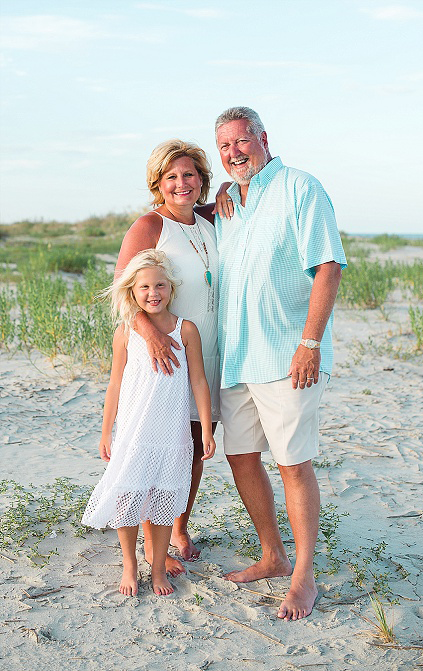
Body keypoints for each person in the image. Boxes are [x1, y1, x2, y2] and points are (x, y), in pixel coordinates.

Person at [213, 106, 346, 620]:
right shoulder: (229, 204)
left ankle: (303, 577)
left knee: (293, 463)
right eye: (224, 147)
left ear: (263, 138)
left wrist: (310, 342)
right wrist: (219, 194)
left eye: (240, 142)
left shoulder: (299, 187)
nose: (233, 154)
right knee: (241, 457)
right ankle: (272, 554)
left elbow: (328, 265)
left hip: (289, 354)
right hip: (237, 357)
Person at [81, 250, 215, 596]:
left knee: (162, 500)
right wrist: (105, 431)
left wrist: (207, 427)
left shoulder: (186, 330)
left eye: (160, 285)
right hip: (133, 431)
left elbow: (198, 381)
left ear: (171, 288)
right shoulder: (126, 333)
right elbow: (114, 384)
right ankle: (130, 564)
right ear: (132, 292)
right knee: (127, 497)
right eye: (144, 288)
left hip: (171, 432)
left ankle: (158, 570)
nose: (153, 293)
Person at [115, 140, 221, 574]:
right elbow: (124, 292)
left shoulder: (211, 221)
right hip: (164, 355)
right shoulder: (148, 226)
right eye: (172, 176)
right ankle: (148, 541)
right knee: (156, 443)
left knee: (193, 445)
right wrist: (152, 336)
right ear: (158, 182)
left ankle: (178, 526)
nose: (182, 183)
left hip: (206, 349)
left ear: (202, 180)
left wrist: (228, 195)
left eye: (190, 174)